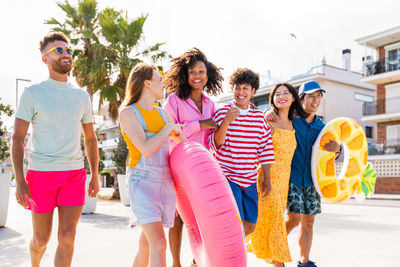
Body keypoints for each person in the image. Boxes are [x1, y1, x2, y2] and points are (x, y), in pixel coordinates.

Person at [11, 32, 99, 267]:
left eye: (68, 50)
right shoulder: (32, 93)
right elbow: (18, 138)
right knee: (41, 239)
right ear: (45, 59)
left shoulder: (81, 96)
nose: (66, 54)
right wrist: (20, 180)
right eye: (59, 50)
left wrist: (94, 174)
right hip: (41, 175)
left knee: (67, 237)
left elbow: (90, 139)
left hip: (74, 173)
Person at [266, 80, 340, 267]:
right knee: (294, 218)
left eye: (318, 97)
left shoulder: (322, 127)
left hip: (313, 182)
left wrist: (337, 149)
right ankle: (273, 249)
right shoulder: (290, 120)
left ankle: (304, 260)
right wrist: (269, 113)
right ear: (301, 99)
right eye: (311, 96)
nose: (315, 101)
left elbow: (330, 154)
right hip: (292, 179)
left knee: (309, 221)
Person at [119, 63, 185, 267]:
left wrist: (178, 136)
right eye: (160, 79)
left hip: (165, 184)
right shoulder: (128, 113)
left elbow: (175, 153)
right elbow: (146, 148)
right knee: (159, 243)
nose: (164, 84)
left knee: (147, 245)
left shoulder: (163, 114)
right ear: (147, 83)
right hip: (142, 183)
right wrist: (167, 130)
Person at [163, 48, 223, 267]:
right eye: (192, 72)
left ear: (208, 75)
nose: (197, 76)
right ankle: (176, 263)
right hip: (178, 166)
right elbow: (169, 130)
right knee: (178, 218)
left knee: (200, 216)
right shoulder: (174, 101)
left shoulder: (210, 104)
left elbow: (210, 139)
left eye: (201, 71)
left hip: (203, 166)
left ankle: (198, 260)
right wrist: (200, 123)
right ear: (185, 75)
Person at [247, 83, 308, 267]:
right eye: (277, 94)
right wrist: (265, 115)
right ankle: (279, 263)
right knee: (275, 222)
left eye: (286, 93)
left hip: (285, 183)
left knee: (274, 222)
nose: (281, 96)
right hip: (267, 179)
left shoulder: (295, 123)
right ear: (272, 99)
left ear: (293, 98)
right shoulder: (268, 121)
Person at [209, 68, 274, 238]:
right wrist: (227, 121)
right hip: (228, 177)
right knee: (234, 223)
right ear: (233, 90)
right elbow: (214, 144)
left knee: (250, 226)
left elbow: (265, 149)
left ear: (253, 92)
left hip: (250, 179)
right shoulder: (223, 112)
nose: (241, 92)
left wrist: (267, 178)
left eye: (245, 88)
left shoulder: (259, 118)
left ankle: (224, 251)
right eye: (237, 88)